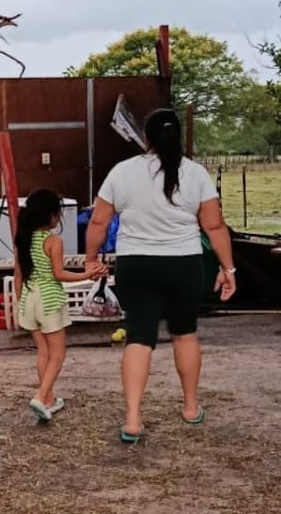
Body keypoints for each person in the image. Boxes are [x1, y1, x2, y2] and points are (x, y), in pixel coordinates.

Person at [85, 107, 237, 444]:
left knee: (139, 338)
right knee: (185, 334)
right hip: (183, 264)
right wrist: (228, 269)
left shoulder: (122, 172)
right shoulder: (196, 174)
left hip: (136, 265)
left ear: (147, 138)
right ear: (178, 137)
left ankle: (133, 419)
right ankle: (190, 407)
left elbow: (98, 221)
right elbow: (213, 225)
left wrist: (91, 258)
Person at [15, 188, 106, 422]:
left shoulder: (23, 238)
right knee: (57, 354)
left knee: (43, 352)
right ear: (50, 216)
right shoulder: (53, 241)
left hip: (28, 299)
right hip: (49, 300)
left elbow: (18, 275)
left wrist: (20, 303)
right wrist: (87, 275)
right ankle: (41, 395)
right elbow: (59, 274)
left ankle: (49, 400)